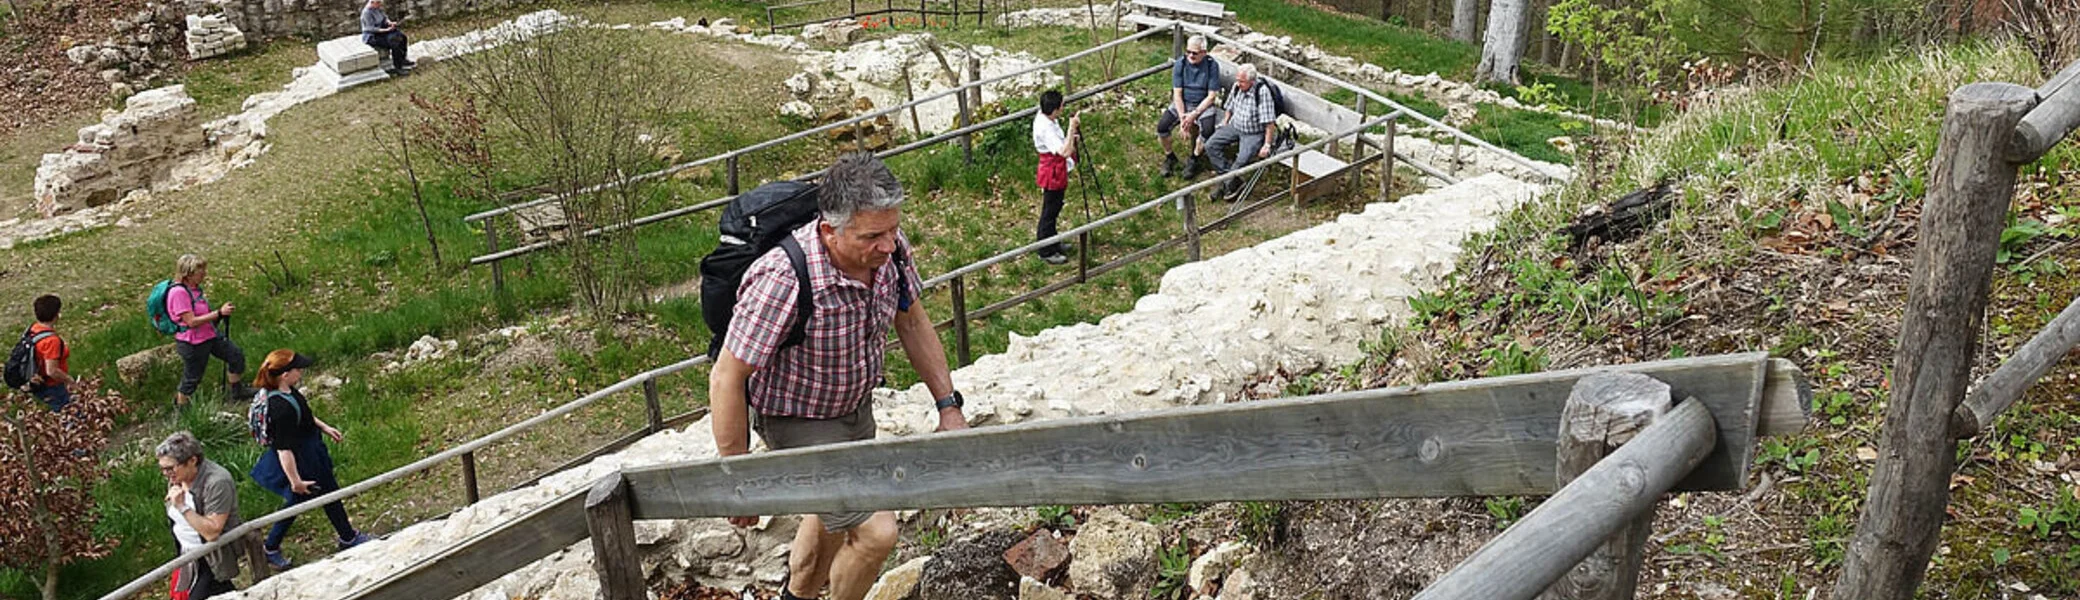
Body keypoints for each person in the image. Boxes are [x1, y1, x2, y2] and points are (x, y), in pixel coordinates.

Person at [709, 153, 969, 600]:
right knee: (876, 533)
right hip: (797, 418)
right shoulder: (784, 278)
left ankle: (797, 596)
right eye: (873, 236)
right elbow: (727, 376)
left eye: (893, 229)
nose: (889, 245)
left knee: (831, 527)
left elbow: (911, 321)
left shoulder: (888, 249)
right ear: (830, 231)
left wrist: (948, 405)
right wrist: (739, 478)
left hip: (853, 407)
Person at [248, 350, 372, 569]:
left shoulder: (286, 392)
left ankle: (346, 536)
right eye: (297, 369)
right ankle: (272, 546)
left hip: (309, 450)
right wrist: (295, 482)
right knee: (304, 498)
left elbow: (304, 414)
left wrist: (324, 427)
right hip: (302, 458)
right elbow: (283, 449)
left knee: (326, 493)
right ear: (285, 374)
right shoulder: (280, 409)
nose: (301, 371)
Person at [157, 431, 242, 599]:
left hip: (210, 558)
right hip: (187, 556)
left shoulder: (217, 482)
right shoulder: (178, 476)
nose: (166, 474)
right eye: (162, 469)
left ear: (192, 461)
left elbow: (212, 532)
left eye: (170, 468)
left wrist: (182, 507)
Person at [168, 254, 249, 406]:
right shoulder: (179, 293)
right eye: (201, 271)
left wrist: (216, 316)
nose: (204, 274)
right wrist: (218, 313)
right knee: (192, 378)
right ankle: (181, 409)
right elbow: (191, 322)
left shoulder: (195, 289)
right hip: (192, 342)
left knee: (235, 356)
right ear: (189, 273)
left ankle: (237, 392)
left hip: (209, 335)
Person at [1205, 63, 1280, 200]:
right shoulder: (1237, 87)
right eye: (1237, 80)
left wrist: (1267, 144)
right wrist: (1225, 121)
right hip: (1235, 126)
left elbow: (1270, 122)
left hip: (1254, 132)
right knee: (1211, 145)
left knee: (1241, 160)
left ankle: (1226, 184)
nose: (1238, 84)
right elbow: (1229, 106)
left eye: (1242, 81)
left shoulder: (1262, 92)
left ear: (1252, 81)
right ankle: (1232, 181)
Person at [1157, 35, 1222, 179]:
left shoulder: (1212, 66)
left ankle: (1194, 158)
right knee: (1162, 126)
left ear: (1204, 53)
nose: (1190, 55)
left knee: (1207, 129)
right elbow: (1177, 94)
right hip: (1184, 102)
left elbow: (1211, 96)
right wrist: (1183, 118)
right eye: (1188, 52)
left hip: (1202, 104)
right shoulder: (1181, 63)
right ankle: (1170, 156)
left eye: (1195, 53)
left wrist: (1194, 114)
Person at [1031, 89, 1081, 266]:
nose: (1062, 108)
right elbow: (1064, 151)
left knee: (1056, 206)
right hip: (1052, 171)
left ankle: (1052, 240)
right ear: (1054, 110)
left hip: (1056, 169)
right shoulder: (1045, 128)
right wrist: (1072, 127)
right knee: (1050, 211)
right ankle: (1045, 250)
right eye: (1061, 106)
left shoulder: (1047, 118)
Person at [26, 295, 71, 412]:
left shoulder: (33, 329)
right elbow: (51, 371)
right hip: (52, 386)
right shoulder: (51, 341)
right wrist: (69, 380)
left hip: (37, 382)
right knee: (67, 413)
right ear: (56, 315)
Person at [361, 0, 415, 76]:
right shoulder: (366, 13)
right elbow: (371, 28)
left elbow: (385, 18)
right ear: (372, 2)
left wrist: (390, 23)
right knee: (394, 42)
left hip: (384, 31)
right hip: (373, 35)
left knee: (402, 37)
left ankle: (403, 59)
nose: (380, 5)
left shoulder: (378, 9)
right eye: (378, 3)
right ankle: (398, 67)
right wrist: (386, 30)